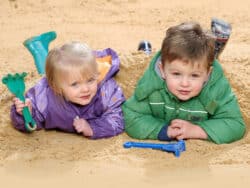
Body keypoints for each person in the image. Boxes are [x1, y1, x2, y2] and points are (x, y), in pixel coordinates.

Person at [122, 22, 246, 144]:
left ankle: (215, 49)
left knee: (203, 59)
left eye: (194, 75)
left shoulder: (216, 90)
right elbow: (130, 116)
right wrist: (163, 131)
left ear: (207, 75)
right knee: (150, 59)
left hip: (202, 68)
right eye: (176, 74)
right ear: (162, 71)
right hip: (167, 67)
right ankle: (146, 52)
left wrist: (196, 130)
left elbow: (235, 124)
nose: (185, 83)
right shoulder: (151, 88)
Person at [11, 41, 125, 139]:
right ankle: (38, 47)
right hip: (54, 80)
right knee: (47, 72)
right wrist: (25, 114)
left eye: (90, 80)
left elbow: (117, 120)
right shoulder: (45, 96)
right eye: (75, 84)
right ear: (56, 88)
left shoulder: (106, 91)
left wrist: (92, 128)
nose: (85, 89)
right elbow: (32, 123)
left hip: (82, 72)